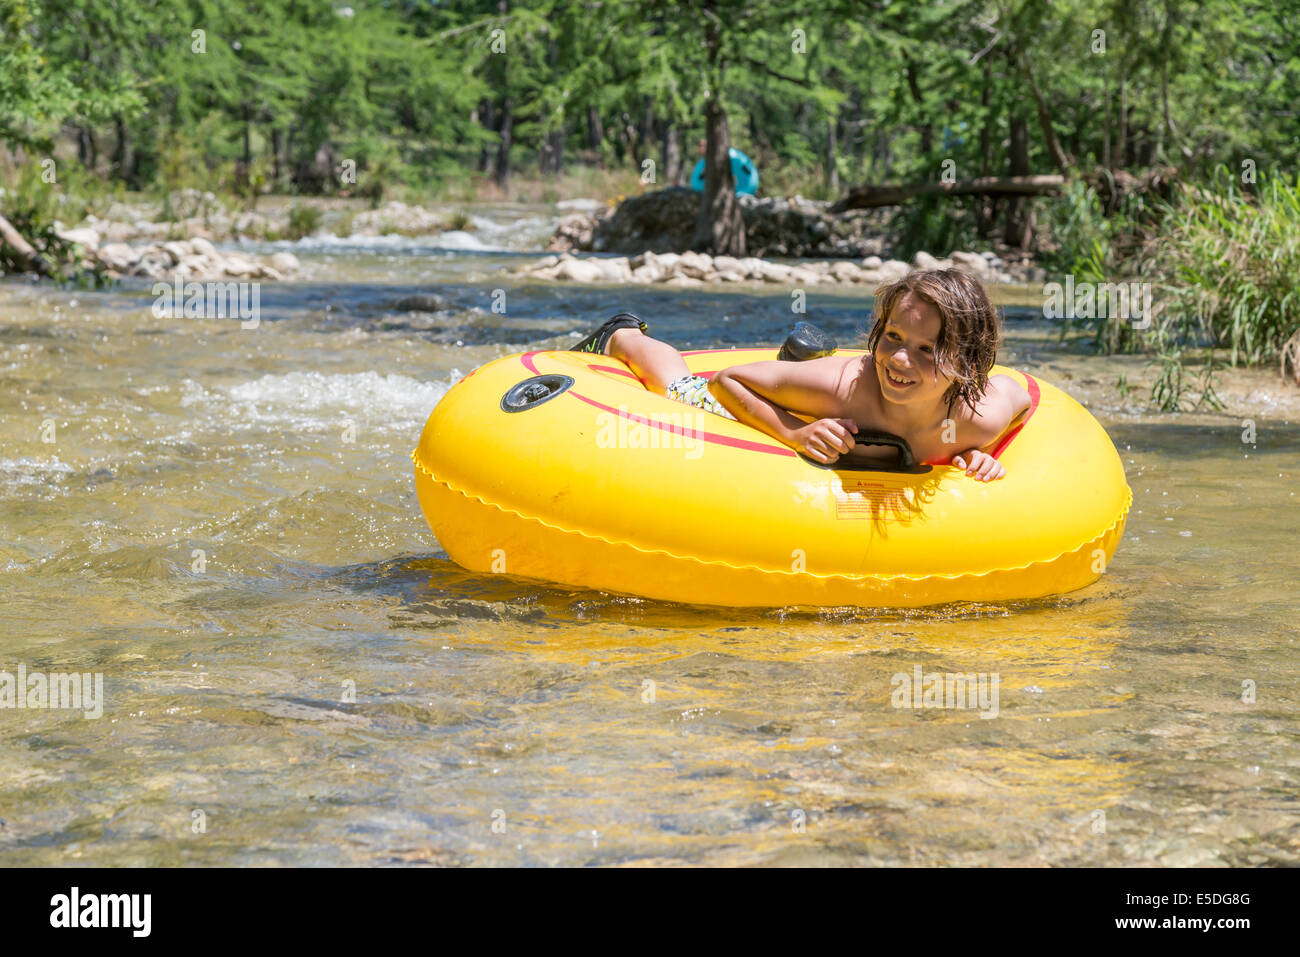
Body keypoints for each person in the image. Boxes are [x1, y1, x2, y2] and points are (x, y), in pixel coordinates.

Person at [570, 268, 1031, 480]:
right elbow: (726, 380)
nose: (900, 360)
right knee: (679, 389)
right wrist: (794, 431)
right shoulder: (848, 388)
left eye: (927, 349)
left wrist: (975, 455)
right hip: (774, 407)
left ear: (967, 364)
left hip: (816, 390)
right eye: (892, 337)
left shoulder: (981, 419)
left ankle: (796, 359)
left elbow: (1024, 398)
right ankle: (622, 335)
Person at [688, 138, 759, 196]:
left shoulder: (714, 157)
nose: (699, 150)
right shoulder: (705, 160)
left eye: (701, 147)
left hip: (740, 189)